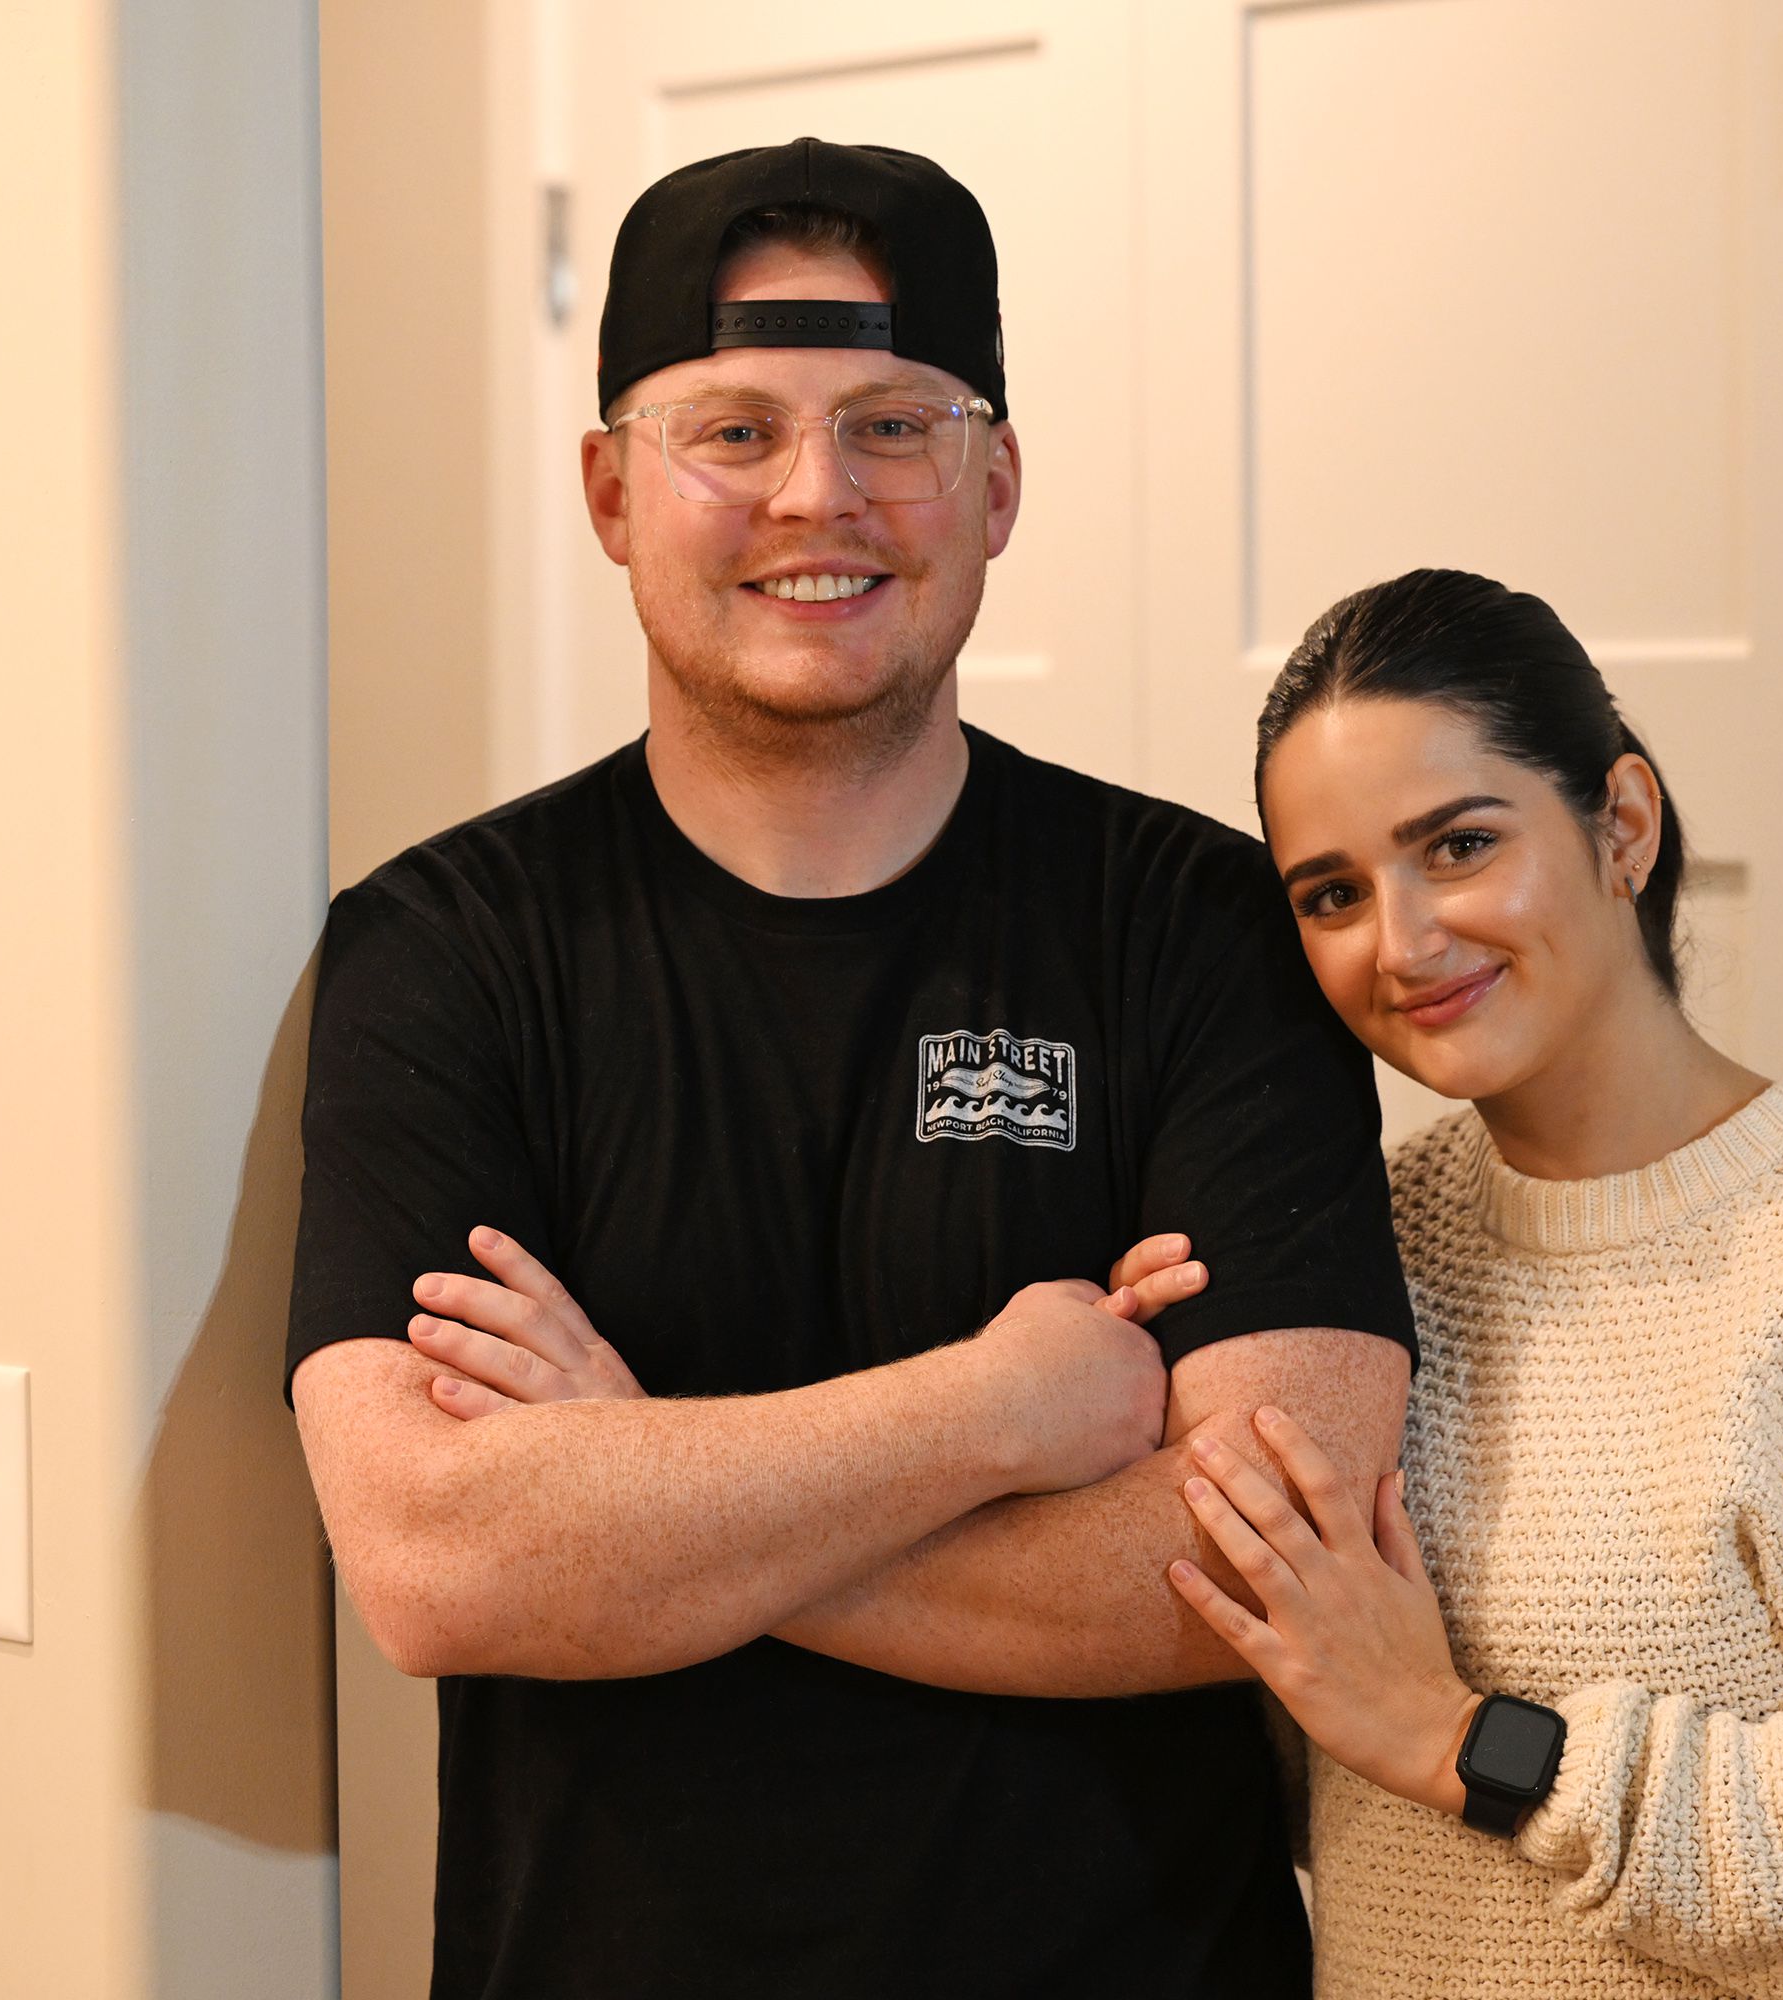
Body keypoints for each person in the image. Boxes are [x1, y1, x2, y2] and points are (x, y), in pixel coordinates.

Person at [282, 140, 1416, 2000]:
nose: (821, 496)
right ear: (610, 493)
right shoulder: (446, 950)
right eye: (733, 431)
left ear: (998, 484)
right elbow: (435, 1566)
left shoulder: (1199, 926)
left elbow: (1263, 1567)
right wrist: (990, 1411)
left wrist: (629, 1483)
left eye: (896, 424)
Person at [1163, 568, 1783, 1997]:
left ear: (1622, 823)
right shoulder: (1361, 1254)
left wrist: (1458, 1738)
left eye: (1461, 844)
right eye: (1333, 893)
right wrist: (1152, 1355)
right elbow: (1288, 1775)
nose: (1405, 941)